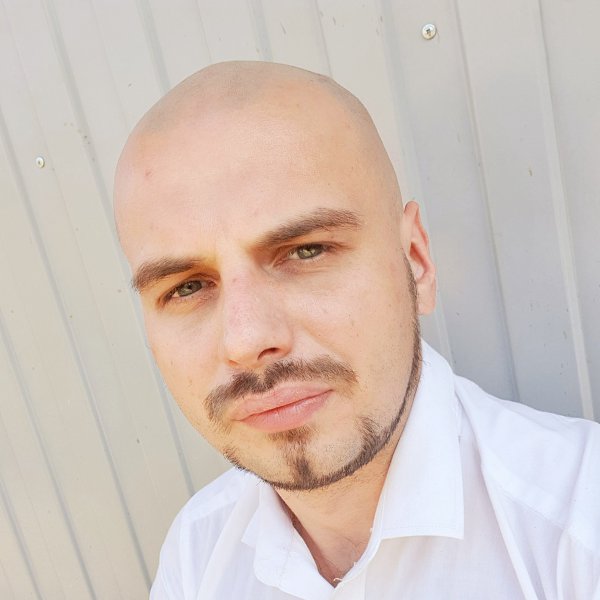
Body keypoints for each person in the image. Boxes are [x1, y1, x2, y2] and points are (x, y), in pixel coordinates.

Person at [113, 62, 600, 600]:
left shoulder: (578, 525)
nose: (246, 340)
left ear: (415, 262)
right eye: (186, 287)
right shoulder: (196, 554)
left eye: (306, 251)